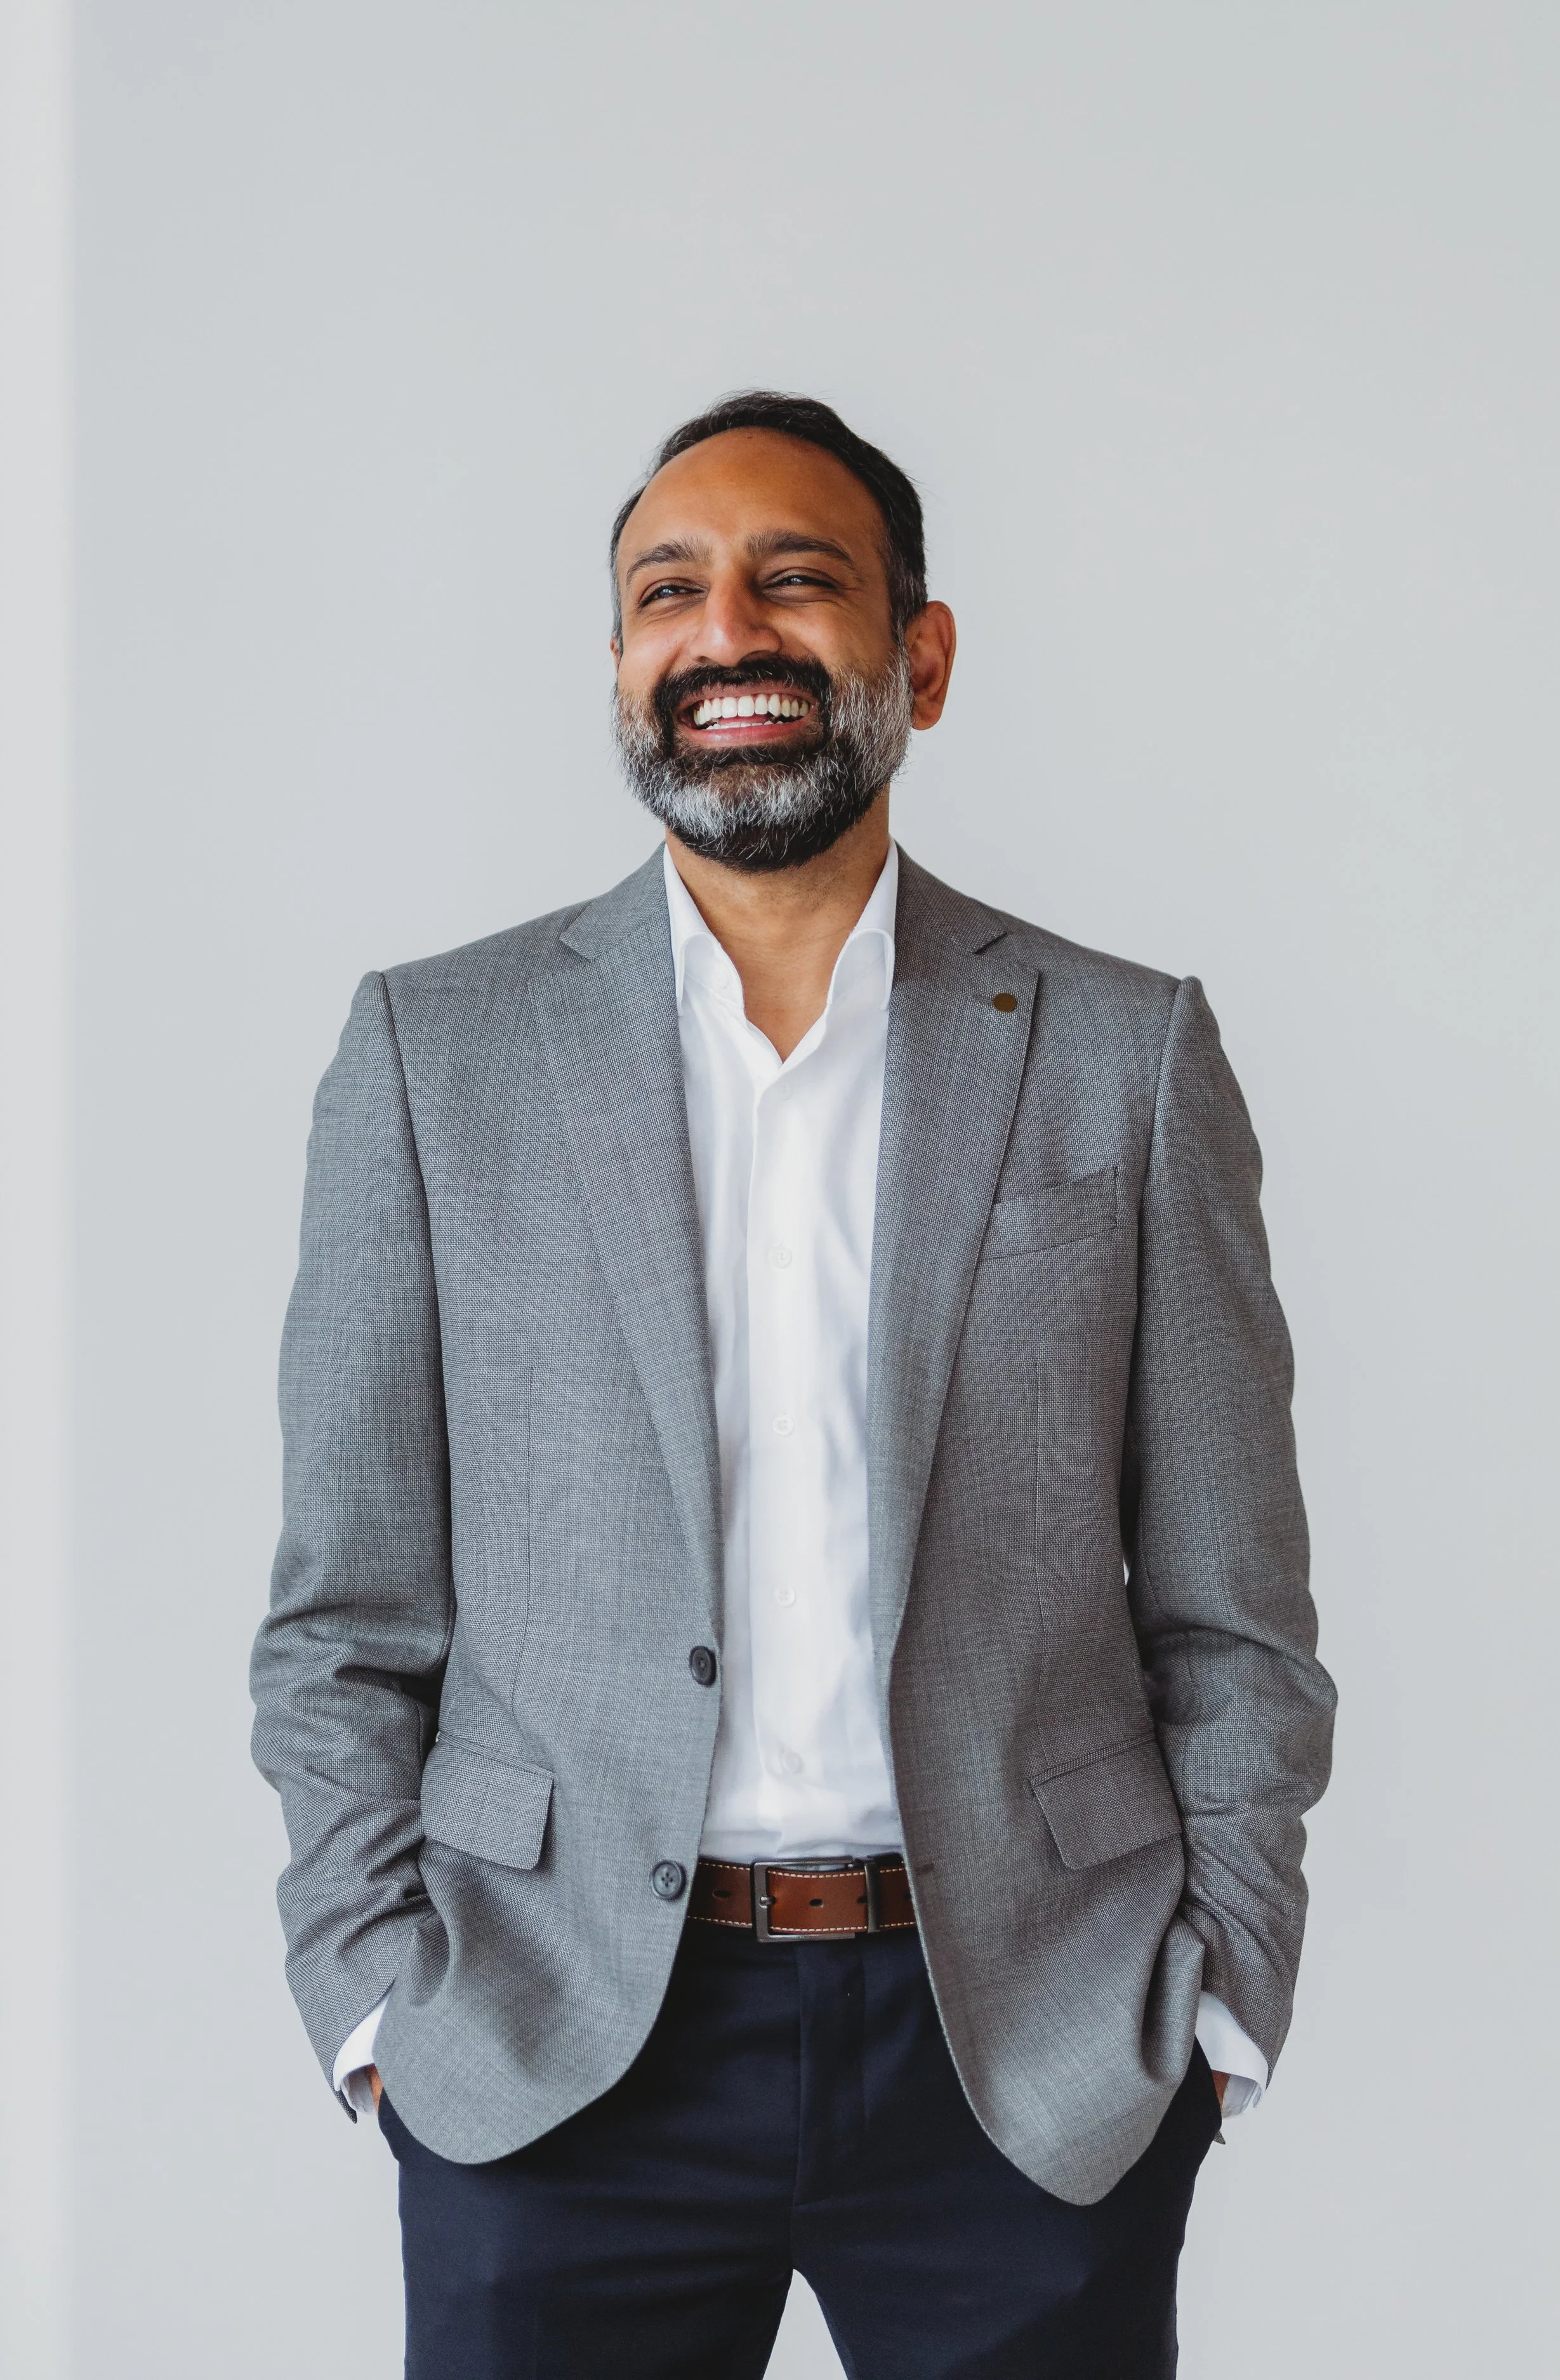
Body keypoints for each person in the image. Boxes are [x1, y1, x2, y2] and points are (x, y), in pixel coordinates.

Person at [251, 390, 1335, 2378]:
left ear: (919, 654)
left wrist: (1214, 1996)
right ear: (618, 661)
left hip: (1021, 2038)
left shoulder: (1123, 1055)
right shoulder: (433, 1056)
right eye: (668, 590)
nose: (725, 630)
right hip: (554, 2038)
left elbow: (1232, 1611)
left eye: (794, 578)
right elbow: (344, 1617)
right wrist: (379, 1994)